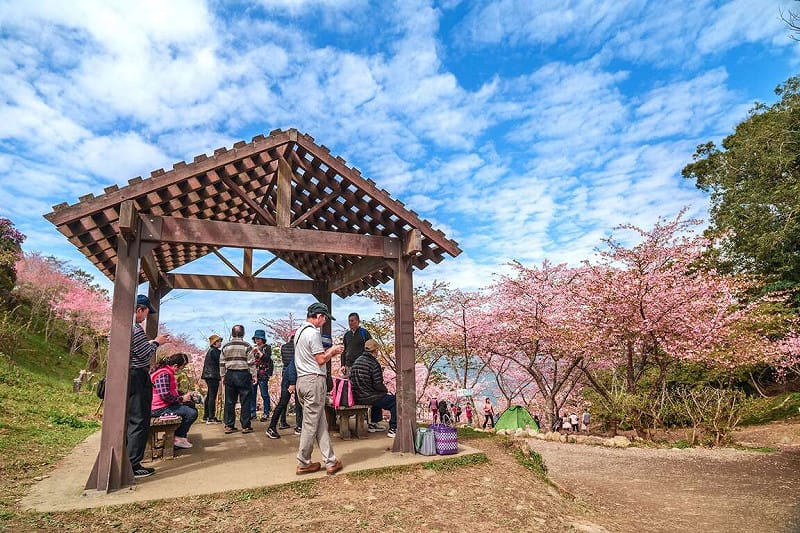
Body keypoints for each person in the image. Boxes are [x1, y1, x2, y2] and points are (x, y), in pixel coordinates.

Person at [294, 302, 344, 475]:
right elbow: (321, 359)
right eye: (324, 319)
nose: (324, 322)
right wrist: (333, 351)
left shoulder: (299, 333)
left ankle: (330, 461)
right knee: (310, 424)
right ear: (319, 316)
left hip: (302, 380)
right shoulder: (313, 333)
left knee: (320, 422)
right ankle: (302, 462)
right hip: (313, 381)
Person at [127, 294, 170, 479]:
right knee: (139, 419)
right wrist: (156, 342)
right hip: (137, 376)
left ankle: (129, 459)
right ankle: (133, 464)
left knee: (130, 418)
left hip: (124, 376)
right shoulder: (135, 330)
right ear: (139, 310)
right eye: (145, 313)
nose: (145, 317)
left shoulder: (120, 327)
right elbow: (144, 355)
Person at [150, 352, 198, 449]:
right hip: (158, 407)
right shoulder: (163, 374)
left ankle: (179, 436)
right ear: (175, 365)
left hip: (162, 405)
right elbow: (164, 395)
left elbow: (170, 391)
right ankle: (178, 438)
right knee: (191, 413)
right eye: (181, 367)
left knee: (191, 405)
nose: (181, 370)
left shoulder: (166, 371)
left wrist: (184, 395)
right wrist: (181, 399)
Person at [349, 338, 397, 437]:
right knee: (395, 401)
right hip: (368, 397)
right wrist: (385, 390)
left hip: (356, 396)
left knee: (377, 395)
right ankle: (393, 428)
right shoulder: (374, 364)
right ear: (375, 351)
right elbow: (377, 384)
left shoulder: (357, 361)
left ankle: (373, 424)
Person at [266, 330, 303, 439]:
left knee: (285, 403)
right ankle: (273, 427)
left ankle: (282, 423)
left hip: (288, 377)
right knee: (289, 403)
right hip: (292, 379)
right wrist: (292, 383)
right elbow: (293, 366)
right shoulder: (298, 349)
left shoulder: (284, 347)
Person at [220, 324, 256, 434]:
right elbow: (251, 362)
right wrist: (254, 375)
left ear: (232, 334)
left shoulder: (226, 346)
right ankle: (245, 426)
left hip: (230, 374)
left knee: (230, 401)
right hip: (243, 375)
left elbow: (222, 362)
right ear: (243, 333)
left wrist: (222, 376)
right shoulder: (247, 346)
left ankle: (229, 425)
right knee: (245, 400)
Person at [249, 330, 274, 422]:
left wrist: (258, 352)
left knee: (264, 394)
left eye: (258, 338)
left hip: (263, 374)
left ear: (262, 339)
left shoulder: (267, 348)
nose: (256, 340)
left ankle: (266, 413)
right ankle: (252, 413)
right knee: (252, 394)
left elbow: (267, 359)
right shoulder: (253, 348)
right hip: (253, 374)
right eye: (255, 338)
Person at [201, 335, 223, 424]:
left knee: (210, 395)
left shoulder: (210, 351)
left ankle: (206, 416)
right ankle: (211, 417)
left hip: (208, 375)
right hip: (213, 375)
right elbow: (221, 361)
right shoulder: (215, 351)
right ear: (214, 343)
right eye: (218, 341)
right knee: (212, 396)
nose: (220, 343)